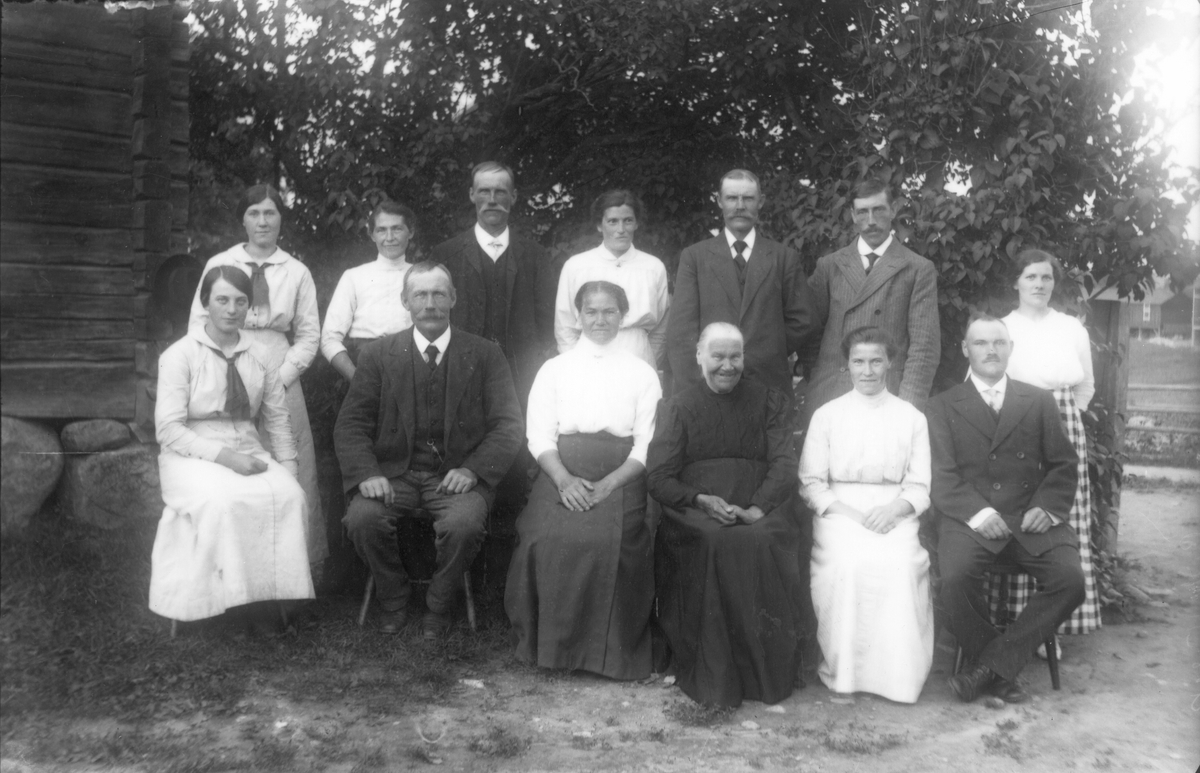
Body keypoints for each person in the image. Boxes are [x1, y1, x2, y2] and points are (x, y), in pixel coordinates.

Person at [335, 262, 524, 638]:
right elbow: (351, 424)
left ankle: (439, 604)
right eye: (420, 294)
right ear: (405, 301)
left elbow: (508, 425)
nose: (430, 303)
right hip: (394, 474)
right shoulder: (378, 354)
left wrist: (473, 470)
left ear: (453, 299)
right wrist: (368, 473)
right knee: (362, 519)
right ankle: (393, 597)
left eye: (439, 293)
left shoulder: (485, 354)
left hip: (457, 478)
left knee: (463, 525)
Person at [506, 281, 662, 679]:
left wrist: (610, 483)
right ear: (578, 316)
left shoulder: (642, 373)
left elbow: (647, 443)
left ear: (623, 317)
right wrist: (563, 479)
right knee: (544, 536)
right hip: (561, 470)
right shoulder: (554, 369)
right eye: (591, 311)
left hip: (622, 475)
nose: (600, 320)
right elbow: (539, 435)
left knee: (611, 542)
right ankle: (550, 647)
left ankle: (607, 654)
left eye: (609, 311)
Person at [648, 323, 807, 707]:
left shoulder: (768, 401)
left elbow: (784, 464)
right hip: (696, 512)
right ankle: (715, 676)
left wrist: (757, 507)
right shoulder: (679, 407)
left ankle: (764, 675)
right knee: (714, 541)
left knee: (761, 539)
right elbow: (659, 476)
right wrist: (699, 499)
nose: (727, 365)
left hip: (760, 505)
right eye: (718, 356)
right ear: (699, 357)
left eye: (735, 356)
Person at [929, 313, 1084, 704]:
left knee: (1070, 580)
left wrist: (1048, 507)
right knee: (955, 579)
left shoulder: (1038, 400)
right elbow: (942, 476)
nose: (991, 350)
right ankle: (999, 669)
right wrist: (980, 515)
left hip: (1030, 518)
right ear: (965, 350)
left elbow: (1064, 464)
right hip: (970, 520)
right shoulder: (941, 405)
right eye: (980, 343)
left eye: (999, 342)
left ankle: (988, 668)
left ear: (1011, 348)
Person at [150, 266, 314, 632]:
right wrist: (226, 458)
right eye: (222, 300)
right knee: (222, 501)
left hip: (248, 447)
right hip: (189, 454)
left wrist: (289, 470)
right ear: (205, 302)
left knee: (291, 497)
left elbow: (277, 419)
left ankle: (267, 601)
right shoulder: (180, 355)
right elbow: (169, 430)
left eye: (241, 301)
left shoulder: (260, 354)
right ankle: (227, 607)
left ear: (249, 306)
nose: (231, 309)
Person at [189, 184, 327, 570]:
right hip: (227, 362)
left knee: (290, 456)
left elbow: (309, 335)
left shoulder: (296, 271)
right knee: (231, 453)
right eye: (254, 213)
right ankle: (230, 564)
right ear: (243, 220)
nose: (262, 221)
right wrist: (219, 368)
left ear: (281, 218)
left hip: (279, 367)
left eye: (270, 213)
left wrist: (279, 379)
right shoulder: (220, 263)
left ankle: (295, 564)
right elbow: (198, 323)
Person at [798, 326, 934, 703]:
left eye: (876, 361)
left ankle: (898, 680)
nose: (868, 370)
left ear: (890, 363)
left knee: (900, 565)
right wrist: (850, 515)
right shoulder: (827, 415)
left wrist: (894, 510)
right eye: (859, 362)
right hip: (839, 511)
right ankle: (845, 673)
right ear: (847, 365)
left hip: (896, 510)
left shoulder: (911, 418)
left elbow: (919, 485)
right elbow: (811, 483)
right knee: (850, 564)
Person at [992, 248, 1101, 642]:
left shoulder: (1071, 328)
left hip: (1064, 424)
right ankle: (1017, 623)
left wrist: (1066, 419)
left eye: (1046, 277)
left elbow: (1086, 385)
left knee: (1058, 516)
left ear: (1055, 283)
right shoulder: (1002, 328)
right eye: (1031, 277)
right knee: (1024, 515)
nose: (1039, 285)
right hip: (1016, 424)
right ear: (1016, 282)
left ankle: (1051, 625)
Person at [666, 169, 821, 393]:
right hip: (710, 386)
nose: (740, 206)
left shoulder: (783, 257)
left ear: (761, 201)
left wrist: (766, 351)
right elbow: (681, 332)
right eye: (732, 198)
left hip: (767, 386)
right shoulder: (695, 257)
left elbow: (804, 320)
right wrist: (698, 384)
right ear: (719, 201)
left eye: (748, 198)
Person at [803, 179, 940, 418]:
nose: (871, 221)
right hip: (831, 396)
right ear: (852, 215)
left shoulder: (917, 268)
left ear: (893, 210)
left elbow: (924, 348)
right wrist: (821, 377)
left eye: (878, 210)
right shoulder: (830, 265)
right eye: (862, 212)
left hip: (888, 397)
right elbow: (810, 334)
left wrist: (907, 410)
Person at [431, 162, 554, 405]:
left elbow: (546, 320)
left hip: (522, 378)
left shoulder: (535, 255)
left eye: (500, 192)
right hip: (461, 374)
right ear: (472, 195)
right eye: (484, 191)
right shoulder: (445, 254)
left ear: (513, 196)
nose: (492, 200)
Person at [554, 189, 670, 370]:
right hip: (588, 360)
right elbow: (565, 326)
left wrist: (646, 365)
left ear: (637, 223)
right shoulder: (576, 266)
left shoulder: (653, 267)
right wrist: (575, 366)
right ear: (599, 225)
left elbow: (661, 329)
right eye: (612, 221)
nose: (621, 230)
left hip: (638, 356)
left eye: (628, 220)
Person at [321, 201, 416, 383]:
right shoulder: (354, 277)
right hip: (365, 368)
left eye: (397, 229)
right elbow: (329, 339)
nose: (389, 237)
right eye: (381, 230)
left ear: (410, 232)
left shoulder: (423, 276)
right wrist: (358, 380)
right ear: (372, 234)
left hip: (412, 370)